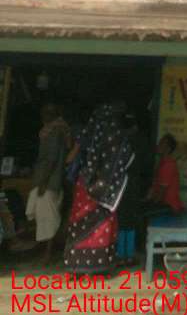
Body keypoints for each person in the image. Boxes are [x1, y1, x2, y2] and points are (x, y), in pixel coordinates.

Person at [64, 103, 134, 273]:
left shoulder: (86, 136)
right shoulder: (119, 139)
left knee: (80, 222)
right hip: (105, 190)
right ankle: (98, 265)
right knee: (102, 224)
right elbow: (125, 162)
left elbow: (69, 160)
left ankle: (77, 264)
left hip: (84, 186)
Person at [25, 102, 71, 263]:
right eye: (44, 112)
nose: (45, 116)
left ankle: (47, 253)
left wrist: (43, 183)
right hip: (47, 180)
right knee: (44, 217)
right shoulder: (52, 131)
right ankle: (45, 250)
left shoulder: (54, 132)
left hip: (49, 182)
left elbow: (51, 160)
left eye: (48, 113)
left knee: (47, 219)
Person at [116, 113, 141, 267]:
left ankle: (121, 255)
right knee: (130, 221)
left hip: (120, 186)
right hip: (132, 185)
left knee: (121, 221)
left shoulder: (119, 142)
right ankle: (129, 255)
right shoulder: (138, 143)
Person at [143, 134, 183, 217]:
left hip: (170, 207)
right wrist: (147, 199)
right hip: (164, 204)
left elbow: (161, 192)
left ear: (168, 149)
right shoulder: (162, 162)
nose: (158, 145)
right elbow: (154, 188)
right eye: (159, 143)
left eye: (161, 144)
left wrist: (151, 205)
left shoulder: (168, 164)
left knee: (142, 215)